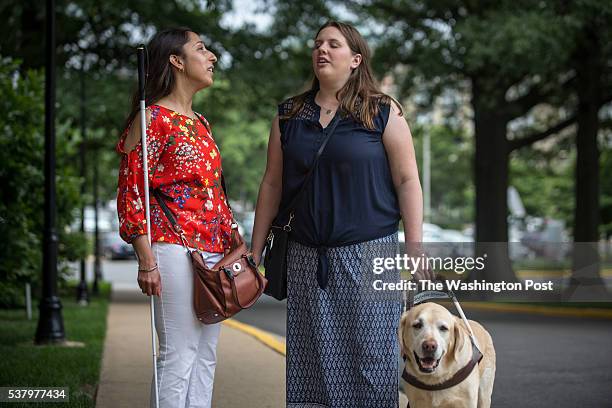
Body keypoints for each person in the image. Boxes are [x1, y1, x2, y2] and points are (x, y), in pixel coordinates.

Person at [251, 21, 433, 407]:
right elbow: (271, 184)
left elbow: (407, 181)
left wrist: (415, 249)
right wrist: (254, 251)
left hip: (371, 255)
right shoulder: (289, 115)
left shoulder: (383, 112)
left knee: (372, 360)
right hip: (304, 258)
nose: (322, 50)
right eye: (318, 43)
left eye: (333, 44)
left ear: (355, 59)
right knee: (311, 361)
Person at [116, 27, 233, 408]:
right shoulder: (151, 119)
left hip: (214, 251)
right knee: (178, 354)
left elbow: (213, 191)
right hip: (172, 248)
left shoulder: (201, 124)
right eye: (202, 49)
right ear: (176, 60)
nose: (212, 56)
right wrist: (146, 261)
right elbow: (132, 191)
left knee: (205, 356)